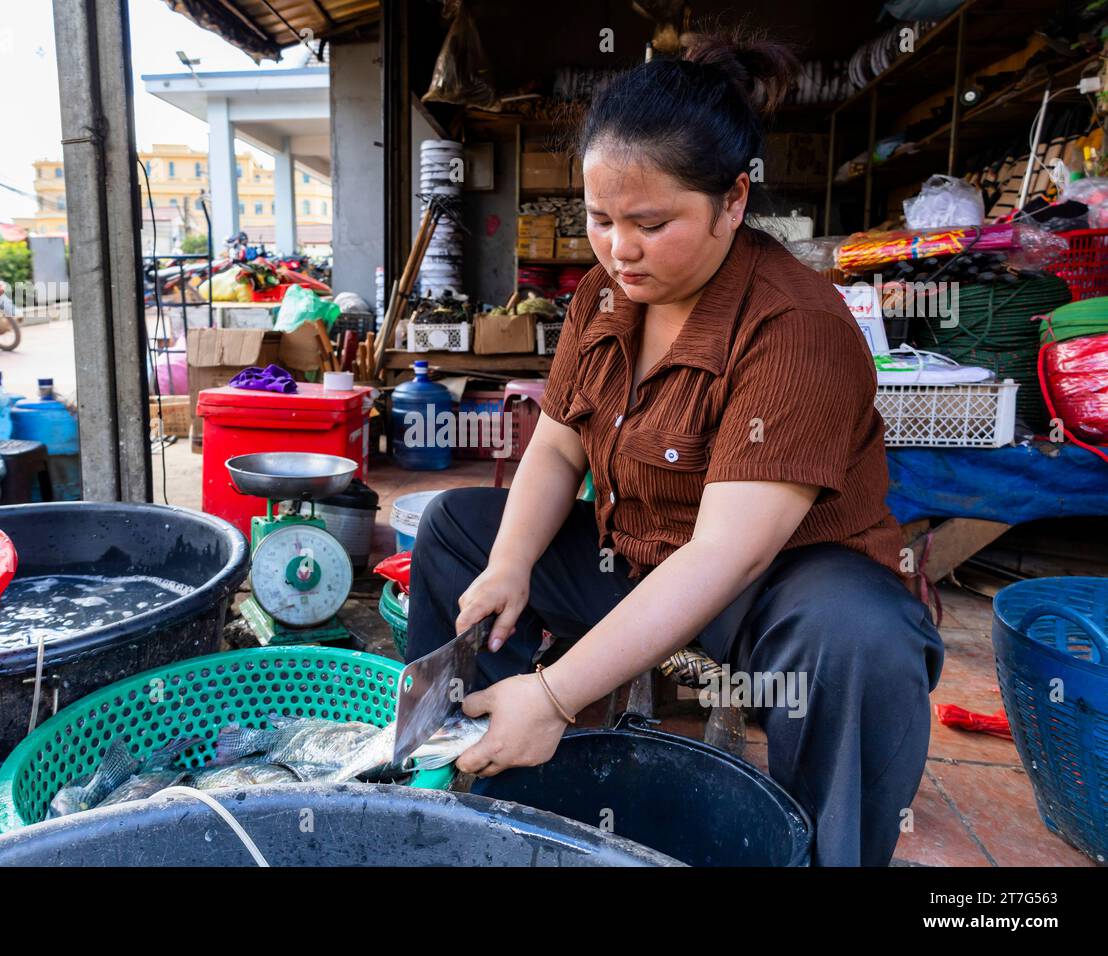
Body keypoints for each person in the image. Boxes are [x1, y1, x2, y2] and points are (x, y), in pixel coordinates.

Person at [404, 31, 944, 867]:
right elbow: (555, 448)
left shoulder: (795, 328)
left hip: (775, 592)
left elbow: (725, 555)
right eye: (600, 219)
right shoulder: (602, 295)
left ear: (733, 200)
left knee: (862, 640)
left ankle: (829, 853)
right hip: (641, 559)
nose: (620, 248)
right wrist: (511, 565)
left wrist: (556, 693)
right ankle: (469, 771)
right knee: (457, 529)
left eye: (651, 224)